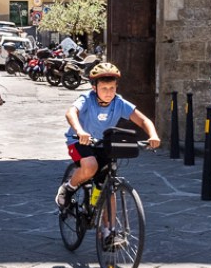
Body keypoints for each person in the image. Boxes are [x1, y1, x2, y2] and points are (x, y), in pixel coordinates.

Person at [55, 62, 161, 212]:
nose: (108, 92)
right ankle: (68, 188)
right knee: (91, 166)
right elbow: (71, 112)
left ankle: (107, 230)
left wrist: (153, 135)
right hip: (79, 141)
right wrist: (80, 131)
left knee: (107, 186)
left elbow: (144, 120)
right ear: (94, 88)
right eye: (104, 88)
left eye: (112, 88)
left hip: (103, 144)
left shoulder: (119, 103)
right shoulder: (86, 99)